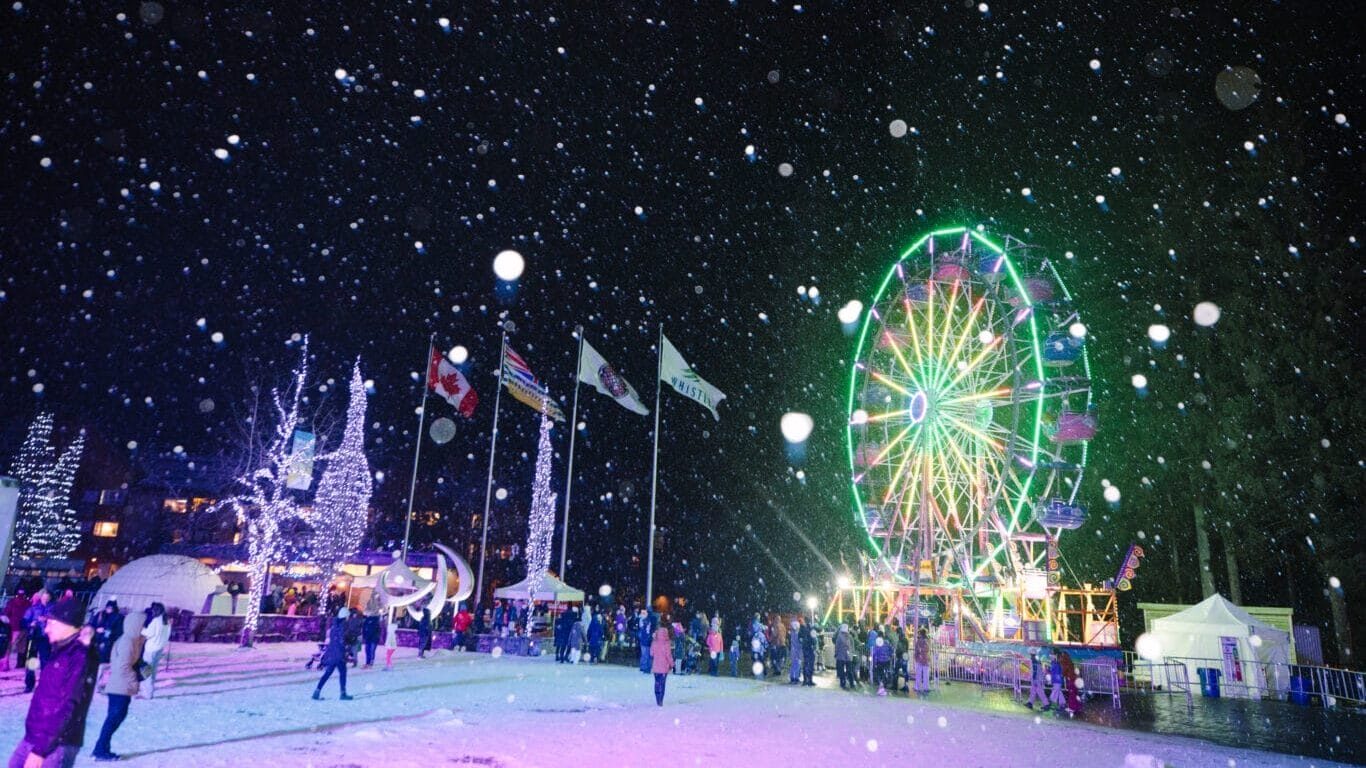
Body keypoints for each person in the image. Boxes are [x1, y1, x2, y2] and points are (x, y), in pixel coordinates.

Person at [8, 597, 100, 767]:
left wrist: (40, 751)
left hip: (56, 743)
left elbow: (67, 704)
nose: (46, 629)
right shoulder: (62, 649)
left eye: (51, 623)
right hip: (37, 736)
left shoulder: (79, 656)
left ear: (66, 624)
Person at [91, 610, 144, 761]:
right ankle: (101, 749)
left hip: (121, 685)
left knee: (115, 718)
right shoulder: (127, 641)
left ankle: (101, 748)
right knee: (114, 718)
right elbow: (122, 666)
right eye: (142, 624)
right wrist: (134, 681)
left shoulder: (131, 640)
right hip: (120, 686)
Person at [312, 608, 353, 701]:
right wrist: (347, 649)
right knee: (343, 673)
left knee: (327, 673)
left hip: (331, 653)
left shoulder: (334, 625)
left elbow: (333, 639)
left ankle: (317, 691)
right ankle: (343, 693)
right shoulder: (343, 626)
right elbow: (341, 640)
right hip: (339, 654)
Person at [23, 590, 53, 693]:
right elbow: (24, 621)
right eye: (43, 597)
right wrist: (30, 624)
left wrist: (47, 620)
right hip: (34, 636)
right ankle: (29, 684)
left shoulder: (53, 608)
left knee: (45, 661)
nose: (45, 598)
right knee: (31, 661)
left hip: (46, 638)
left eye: (47, 597)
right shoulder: (34, 608)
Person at [5, 588, 31, 670]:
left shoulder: (12, 602)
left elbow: (7, 613)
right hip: (23, 627)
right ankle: (19, 663)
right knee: (21, 647)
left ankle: (5, 663)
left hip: (12, 626)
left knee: (9, 646)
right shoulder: (28, 603)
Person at [649, 624, 674, 706]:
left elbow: (651, 653)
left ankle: (657, 698)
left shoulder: (654, 642)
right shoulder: (667, 643)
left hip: (656, 667)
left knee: (657, 683)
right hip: (664, 668)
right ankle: (660, 700)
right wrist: (672, 664)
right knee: (662, 684)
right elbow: (669, 656)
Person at [834, 623, 853, 689]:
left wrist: (836, 653)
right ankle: (851, 683)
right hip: (848, 656)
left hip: (841, 656)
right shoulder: (849, 636)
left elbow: (837, 646)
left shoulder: (839, 636)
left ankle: (843, 683)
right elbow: (851, 646)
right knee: (849, 670)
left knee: (841, 671)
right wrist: (851, 654)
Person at [913, 626, 931, 696]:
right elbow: (928, 650)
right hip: (926, 659)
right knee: (926, 674)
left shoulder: (919, 641)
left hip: (919, 659)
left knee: (918, 674)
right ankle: (926, 687)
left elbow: (916, 650)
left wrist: (916, 657)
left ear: (921, 633)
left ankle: (917, 687)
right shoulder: (928, 641)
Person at [800, 618, 816, 686]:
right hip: (810, 648)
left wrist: (803, 642)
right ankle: (810, 680)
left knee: (806, 664)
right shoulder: (811, 629)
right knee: (810, 665)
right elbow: (814, 639)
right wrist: (813, 645)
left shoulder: (802, 629)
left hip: (805, 648)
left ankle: (805, 680)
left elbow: (799, 638)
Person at [636, 609, 652, 673]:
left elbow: (643, 631)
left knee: (645, 654)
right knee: (646, 654)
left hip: (645, 640)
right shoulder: (646, 621)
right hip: (646, 640)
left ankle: (644, 667)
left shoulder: (644, 621)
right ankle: (645, 667)